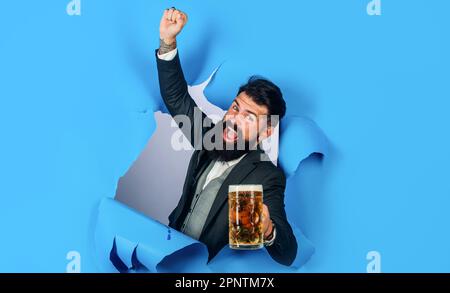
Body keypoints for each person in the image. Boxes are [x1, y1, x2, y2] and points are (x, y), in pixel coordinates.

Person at [155, 7, 297, 266]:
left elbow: (287, 254)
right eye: (235, 108)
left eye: (249, 117)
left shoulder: (266, 175)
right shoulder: (211, 137)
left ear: (265, 132)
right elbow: (177, 99)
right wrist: (168, 42)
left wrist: (267, 229)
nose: (234, 118)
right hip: (168, 256)